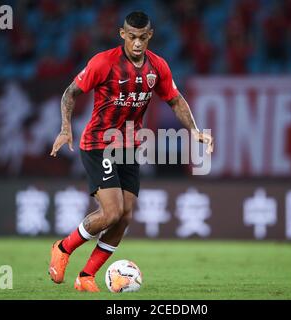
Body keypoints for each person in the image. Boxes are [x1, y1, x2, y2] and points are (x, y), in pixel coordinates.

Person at [48, 11, 214, 292]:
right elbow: (70, 93)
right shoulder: (103, 62)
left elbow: (175, 100)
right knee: (112, 212)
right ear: (122, 34)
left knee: (124, 217)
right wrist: (65, 128)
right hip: (99, 144)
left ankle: (86, 276)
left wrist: (195, 130)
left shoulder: (158, 67)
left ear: (150, 36)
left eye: (142, 37)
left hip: (128, 147)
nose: (137, 43)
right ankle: (63, 247)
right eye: (132, 37)